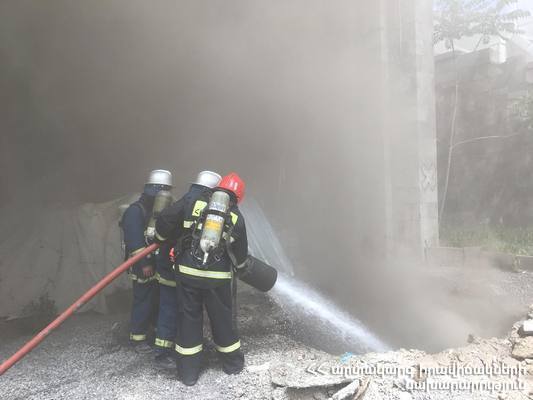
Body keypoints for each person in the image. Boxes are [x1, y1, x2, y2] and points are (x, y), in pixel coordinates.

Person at [154, 172, 248, 386]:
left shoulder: (194, 200)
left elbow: (166, 218)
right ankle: (232, 365)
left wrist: (160, 239)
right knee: (222, 320)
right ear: (238, 197)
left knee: (188, 320)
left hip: (188, 273)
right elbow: (241, 256)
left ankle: (188, 374)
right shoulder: (236, 216)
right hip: (217, 278)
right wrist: (242, 268)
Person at [121, 169, 172, 353]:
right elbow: (134, 241)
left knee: (155, 300)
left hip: (156, 264)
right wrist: (144, 264)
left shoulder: (154, 210)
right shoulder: (135, 211)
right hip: (142, 265)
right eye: (164, 191)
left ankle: (154, 331)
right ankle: (137, 338)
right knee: (143, 300)